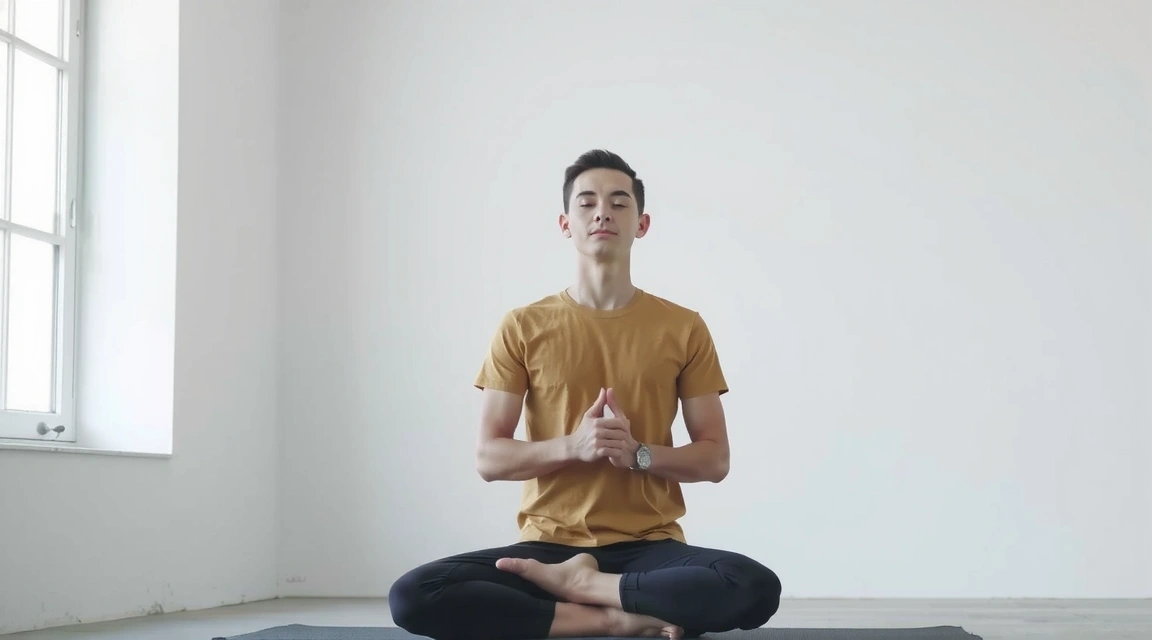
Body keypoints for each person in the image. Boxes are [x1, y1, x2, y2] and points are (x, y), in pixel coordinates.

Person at [389, 150, 782, 640]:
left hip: (649, 548)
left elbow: (714, 458)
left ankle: (592, 592)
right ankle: (615, 617)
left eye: (619, 203)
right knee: (414, 594)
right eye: (587, 202)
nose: (603, 212)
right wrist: (573, 447)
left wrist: (638, 454)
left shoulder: (683, 328)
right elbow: (490, 457)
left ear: (641, 224)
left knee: (752, 585)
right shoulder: (523, 326)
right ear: (565, 223)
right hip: (548, 548)